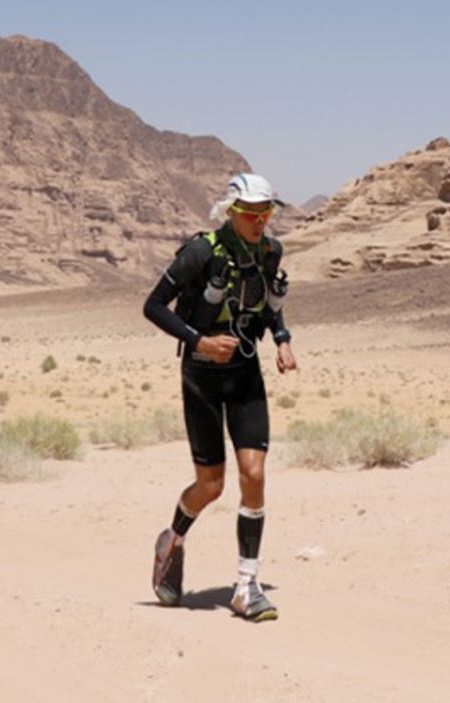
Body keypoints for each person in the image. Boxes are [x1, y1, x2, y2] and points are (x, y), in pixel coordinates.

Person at [142, 173, 298, 622]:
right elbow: (153, 306)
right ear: (232, 212)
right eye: (251, 213)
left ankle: (247, 586)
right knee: (212, 485)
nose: (260, 221)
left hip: (245, 372)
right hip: (202, 377)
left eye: (266, 212)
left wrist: (283, 340)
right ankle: (172, 539)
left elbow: (270, 303)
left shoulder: (271, 251)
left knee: (255, 473)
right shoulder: (200, 252)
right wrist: (199, 341)